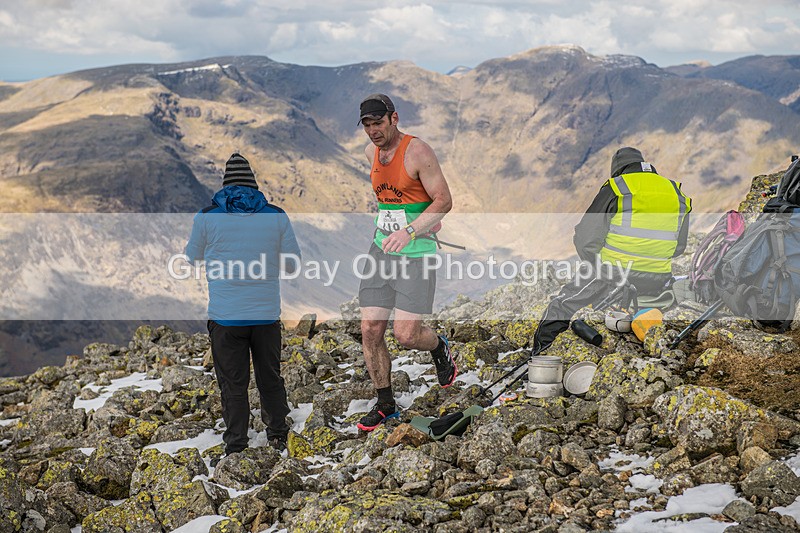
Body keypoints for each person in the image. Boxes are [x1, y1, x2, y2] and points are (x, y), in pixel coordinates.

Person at [185, 153, 301, 461]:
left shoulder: (206, 216)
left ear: (225, 185)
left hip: (226, 318)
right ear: (253, 184)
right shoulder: (276, 215)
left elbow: (191, 258)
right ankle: (277, 434)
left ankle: (236, 444)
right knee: (269, 377)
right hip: (265, 316)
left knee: (233, 384)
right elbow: (292, 264)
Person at [355, 93, 457, 432]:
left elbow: (444, 200)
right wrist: (393, 226)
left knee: (406, 335)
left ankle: (439, 346)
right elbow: (393, 198)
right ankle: (385, 404)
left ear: (394, 119)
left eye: (378, 123)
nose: (373, 131)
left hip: (416, 253)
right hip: (381, 249)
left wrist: (411, 230)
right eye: (367, 125)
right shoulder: (370, 153)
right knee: (370, 328)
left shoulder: (418, 152)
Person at [532, 147, 692, 352]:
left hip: (614, 274)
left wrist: (595, 265)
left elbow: (585, 238)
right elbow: (679, 247)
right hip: (658, 279)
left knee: (562, 305)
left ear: (617, 170)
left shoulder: (618, 186)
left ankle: (539, 355)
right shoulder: (676, 192)